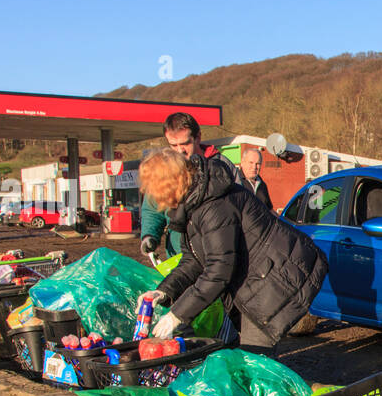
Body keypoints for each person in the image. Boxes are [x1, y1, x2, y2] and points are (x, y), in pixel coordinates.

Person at [136, 149, 327, 355]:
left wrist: (178, 315)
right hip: (252, 280)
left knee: (256, 361)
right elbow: (193, 260)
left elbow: (219, 269)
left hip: (272, 279)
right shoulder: (194, 205)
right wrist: (164, 291)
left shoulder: (214, 206)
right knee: (243, 358)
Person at [140, 112, 237, 259]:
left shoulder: (223, 167)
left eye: (185, 143)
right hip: (179, 255)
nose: (180, 150)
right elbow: (153, 208)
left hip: (217, 253)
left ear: (198, 137)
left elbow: (237, 209)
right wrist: (149, 235)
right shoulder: (166, 168)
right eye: (173, 145)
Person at [236, 147, 274, 213]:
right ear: (242, 162)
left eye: (258, 164)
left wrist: (281, 221)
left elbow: (269, 210)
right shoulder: (235, 182)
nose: (254, 167)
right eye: (251, 162)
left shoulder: (262, 185)